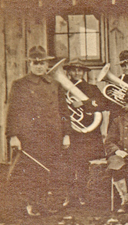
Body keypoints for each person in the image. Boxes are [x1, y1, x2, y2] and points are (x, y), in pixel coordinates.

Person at [6, 46, 71, 216]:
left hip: (53, 135)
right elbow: (13, 112)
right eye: (36, 63)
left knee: (53, 170)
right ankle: (33, 204)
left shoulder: (55, 84)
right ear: (30, 64)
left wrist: (66, 134)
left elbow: (63, 111)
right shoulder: (20, 85)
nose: (40, 66)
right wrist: (13, 136)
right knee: (33, 171)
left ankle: (51, 204)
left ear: (47, 63)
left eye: (43, 63)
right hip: (30, 137)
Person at [63, 59, 115, 208]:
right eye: (73, 70)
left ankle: (81, 195)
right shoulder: (62, 90)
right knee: (68, 164)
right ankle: (68, 195)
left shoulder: (91, 88)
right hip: (69, 132)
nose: (77, 73)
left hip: (86, 134)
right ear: (69, 72)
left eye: (80, 70)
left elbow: (104, 104)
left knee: (82, 164)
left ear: (84, 72)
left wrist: (84, 103)